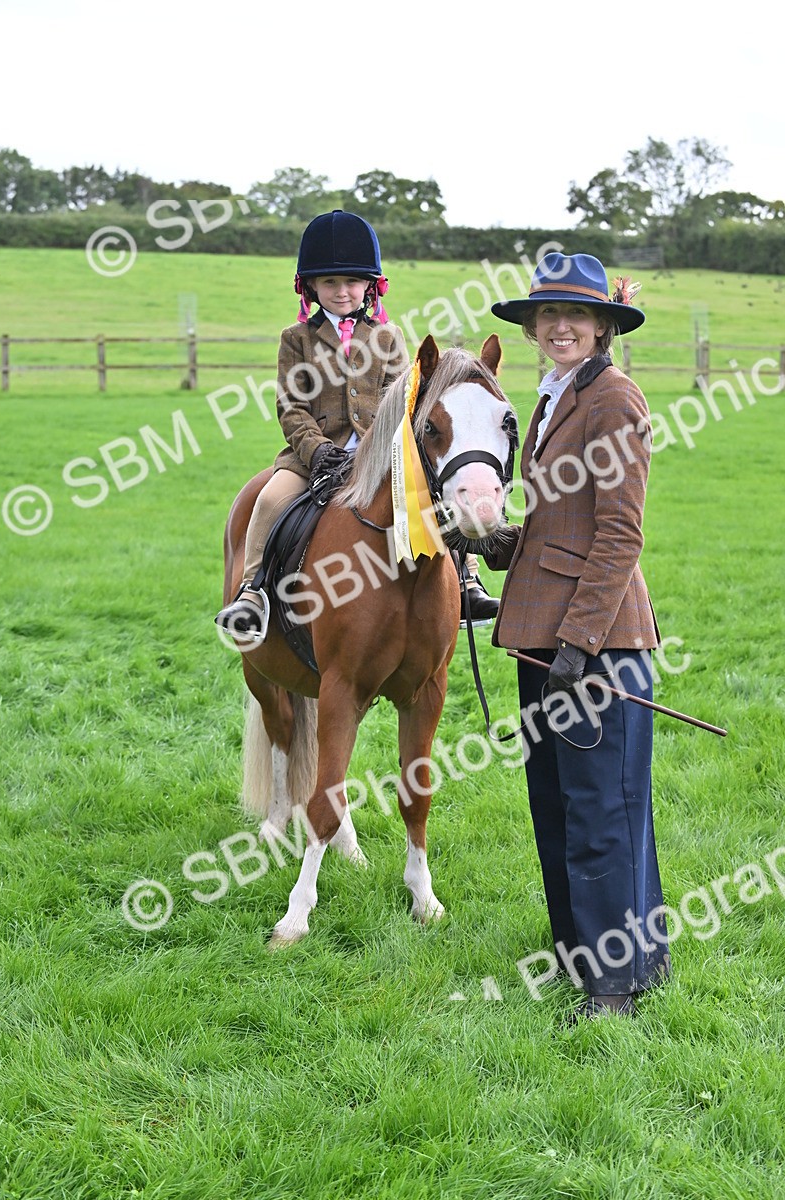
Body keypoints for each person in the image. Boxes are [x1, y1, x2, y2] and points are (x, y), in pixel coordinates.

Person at [488, 252, 670, 1022]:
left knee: (603, 811)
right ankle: (595, 953)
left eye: (577, 316)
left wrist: (582, 642)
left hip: (594, 645)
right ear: (533, 327)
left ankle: (615, 988)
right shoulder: (556, 397)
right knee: (559, 804)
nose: (560, 327)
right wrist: (502, 544)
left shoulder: (613, 399)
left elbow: (620, 532)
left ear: (602, 326)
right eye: (547, 316)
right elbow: (563, 518)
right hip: (543, 635)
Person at [216, 209, 499, 641]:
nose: (342, 291)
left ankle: (467, 580)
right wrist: (316, 450)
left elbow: (407, 401)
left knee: (436, 498)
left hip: (381, 457)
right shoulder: (297, 339)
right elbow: (291, 406)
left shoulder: (387, 337)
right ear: (311, 286)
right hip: (313, 457)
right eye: (330, 282)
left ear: (370, 285)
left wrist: (381, 450)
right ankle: (252, 594)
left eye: (351, 282)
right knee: (269, 501)